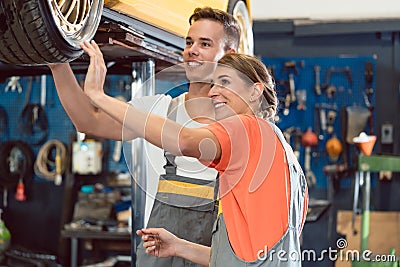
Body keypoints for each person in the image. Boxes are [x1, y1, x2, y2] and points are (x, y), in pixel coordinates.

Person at [79, 37, 308, 266]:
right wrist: (179, 246)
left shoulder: (247, 127)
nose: (212, 92)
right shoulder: (288, 161)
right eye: (213, 84)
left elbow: (184, 140)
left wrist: (99, 96)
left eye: (225, 82)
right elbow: (237, 259)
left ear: (255, 91)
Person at [48, 7, 241, 267]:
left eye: (205, 44)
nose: (192, 50)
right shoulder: (161, 109)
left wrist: (100, 95)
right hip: (158, 252)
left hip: (210, 255)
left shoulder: (240, 122)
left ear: (229, 56)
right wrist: (55, 60)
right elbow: (88, 121)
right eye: (189, 42)